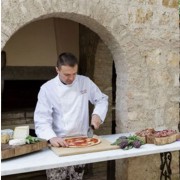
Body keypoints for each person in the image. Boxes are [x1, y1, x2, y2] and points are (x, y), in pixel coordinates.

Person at [34, 52, 108, 180]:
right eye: (67, 74)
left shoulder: (85, 82)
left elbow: (101, 99)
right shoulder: (47, 89)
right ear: (57, 70)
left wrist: (97, 115)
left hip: (81, 141)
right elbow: (41, 119)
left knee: (76, 177)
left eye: (74, 73)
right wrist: (51, 137)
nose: (72, 78)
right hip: (58, 143)